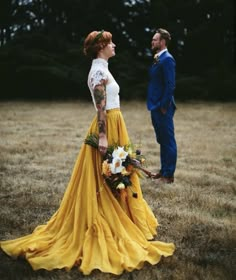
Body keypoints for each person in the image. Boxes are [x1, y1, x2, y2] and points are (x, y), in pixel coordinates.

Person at [0, 30, 175, 275]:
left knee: (120, 174)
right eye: (110, 42)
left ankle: (126, 217)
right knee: (108, 177)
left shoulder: (103, 67)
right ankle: (107, 221)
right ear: (101, 46)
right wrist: (103, 136)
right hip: (107, 127)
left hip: (117, 124)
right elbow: (101, 108)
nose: (114, 45)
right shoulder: (98, 72)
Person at [147, 28, 177, 184]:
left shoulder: (168, 59)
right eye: (153, 39)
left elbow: (170, 85)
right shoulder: (158, 58)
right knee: (162, 140)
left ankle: (168, 176)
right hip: (155, 106)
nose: (152, 42)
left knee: (168, 141)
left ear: (163, 42)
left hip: (162, 107)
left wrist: (163, 106)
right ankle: (163, 171)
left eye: (155, 39)